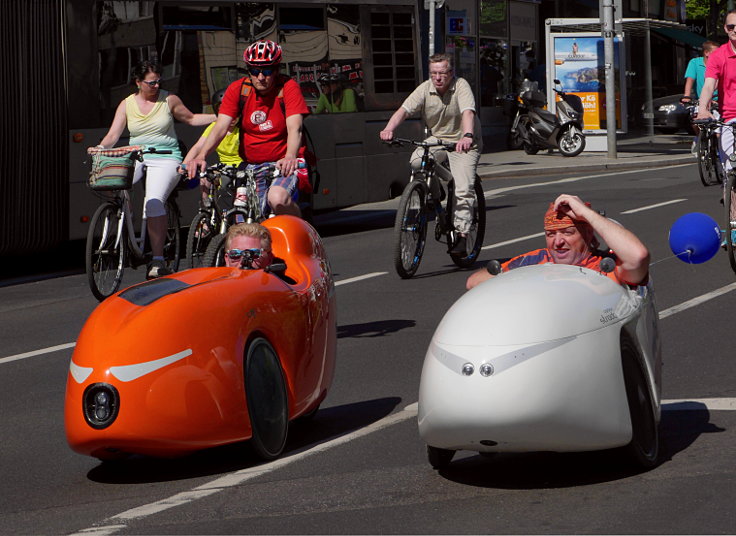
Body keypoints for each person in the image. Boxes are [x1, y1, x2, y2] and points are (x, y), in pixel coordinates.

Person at [90, 60, 216, 279]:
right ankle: (124, 213)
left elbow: (191, 118)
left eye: (159, 81)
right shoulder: (127, 104)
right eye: (151, 83)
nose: (156, 86)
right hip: (136, 154)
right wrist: (101, 147)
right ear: (138, 83)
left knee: (154, 201)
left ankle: (157, 260)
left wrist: (220, 118)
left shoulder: (169, 99)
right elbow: (113, 135)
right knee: (111, 180)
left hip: (165, 157)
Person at [185, 39, 307, 218]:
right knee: (245, 216)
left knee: (277, 198)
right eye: (255, 71)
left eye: (267, 71)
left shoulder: (288, 88)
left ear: (276, 70)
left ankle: (303, 230)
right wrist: (201, 156)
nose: (260, 77)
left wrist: (290, 156)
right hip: (251, 166)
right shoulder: (238, 89)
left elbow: (295, 127)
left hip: (283, 163)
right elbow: (220, 127)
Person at [379, 52, 482, 255]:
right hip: (438, 139)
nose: (437, 77)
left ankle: (462, 235)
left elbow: (468, 112)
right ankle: (437, 191)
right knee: (417, 161)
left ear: (451, 73)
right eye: (433, 73)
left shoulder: (461, 86)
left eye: (442, 73)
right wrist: (389, 128)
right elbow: (404, 110)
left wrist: (468, 135)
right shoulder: (425, 89)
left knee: (464, 188)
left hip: (465, 142)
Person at [466, 194, 650, 290]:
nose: (558, 242)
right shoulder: (534, 260)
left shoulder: (605, 265)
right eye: (550, 234)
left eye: (568, 232)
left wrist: (585, 214)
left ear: (587, 234)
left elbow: (638, 257)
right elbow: (474, 282)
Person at [183, 89, 243, 207]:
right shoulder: (215, 127)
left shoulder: (243, 128)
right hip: (224, 167)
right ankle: (208, 210)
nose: (231, 117)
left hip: (243, 167)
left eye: (235, 113)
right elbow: (198, 147)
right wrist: (185, 164)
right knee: (205, 177)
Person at [682, 41, 719, 153]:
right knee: (695, 119)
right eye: (716, 52)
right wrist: (687, 96)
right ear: (707, 53)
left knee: (718, 129)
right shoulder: (695, 63)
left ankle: (718, 149)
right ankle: (699, 137)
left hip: (718, 100)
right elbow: (690, 80)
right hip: (701, 100)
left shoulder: (720, 64)